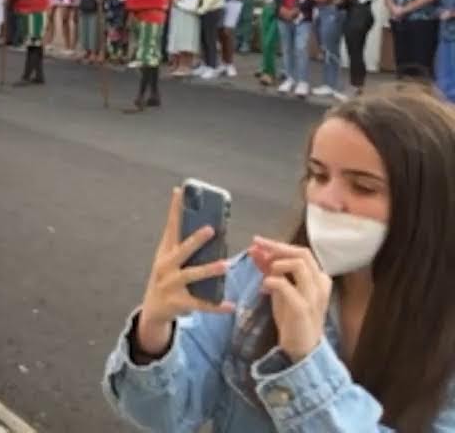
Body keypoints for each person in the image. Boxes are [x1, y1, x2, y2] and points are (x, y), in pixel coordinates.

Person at [103, 87, 455, 431]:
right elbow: (162, 415)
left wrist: (306, 361)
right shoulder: (258, 279)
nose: (326, 199)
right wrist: (153, 332)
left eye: (363, 187)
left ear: (430, 207)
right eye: (319, 175)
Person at [124, 0, 173, 111]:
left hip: (152, 11)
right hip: (137, 11)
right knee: (149, 55)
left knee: (146, 54)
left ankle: (141, 97)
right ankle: (154, 94)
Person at [275, 0, 316, 98]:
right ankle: (290, 78)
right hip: (283, 15)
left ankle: (302, 81)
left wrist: (297, 10)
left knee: (300, 48)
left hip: (302, 17)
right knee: (286, 48)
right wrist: (281, 9)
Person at [310, 0, 352, 100]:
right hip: (321, 12)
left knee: (331, 48)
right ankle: (328, 83)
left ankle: (333, 85)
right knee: (326, 48)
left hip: (332, 12)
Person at [344, 0, 382, 97]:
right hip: (366, 13)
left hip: (358, 13)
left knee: (354, 50)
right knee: (358, 49)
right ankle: (359, 84)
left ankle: (357, 84)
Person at [255, 0, 284, 87]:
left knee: (269, 42)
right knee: (264, 42)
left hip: (277, 11)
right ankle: (265, 68)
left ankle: (270, 73)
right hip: (266, 9)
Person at [195, 0, 224, 79]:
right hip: (203, 9)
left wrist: (204, 8)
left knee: (210, 38)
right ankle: (205, 64)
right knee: (203, 38)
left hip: (213, 10)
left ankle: (213, 66)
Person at [437, 0, 455, 103]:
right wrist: (441, 12)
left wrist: (451, 13)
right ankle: (444, 94)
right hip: (445, 35)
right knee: (443, 66)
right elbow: (436, 8)